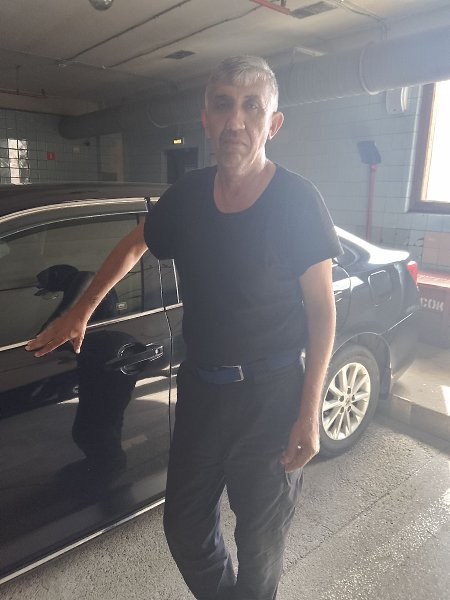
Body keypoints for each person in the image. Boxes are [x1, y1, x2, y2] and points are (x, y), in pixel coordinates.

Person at [26, 56, 341, 600]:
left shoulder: (297, 201)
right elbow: (134, 244)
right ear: (206, 118)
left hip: (271, 396)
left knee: (260, 541)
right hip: (201, 390)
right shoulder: (190, 195)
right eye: (223, 104)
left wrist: (309, 413)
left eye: (251, 107)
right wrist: (80, 311)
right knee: (185, 528)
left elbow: (322, 309)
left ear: (273, 123)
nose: (235, 120)